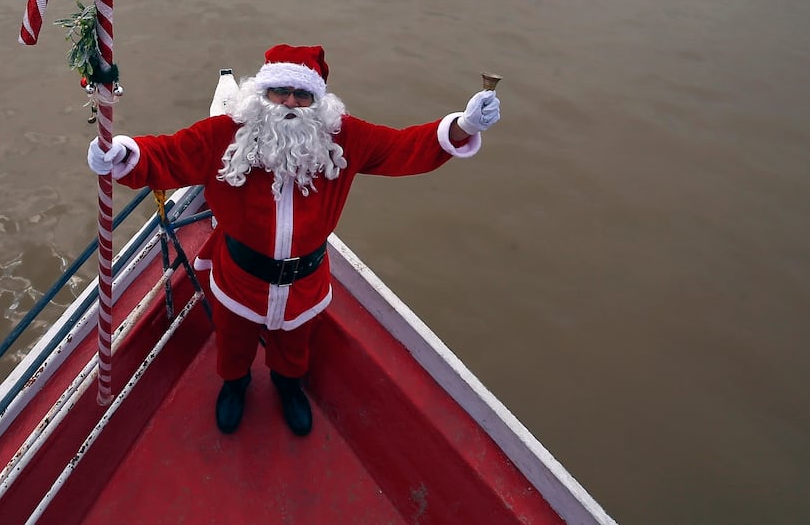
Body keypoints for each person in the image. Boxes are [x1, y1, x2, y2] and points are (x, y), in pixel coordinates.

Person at [86, 44, 500, 436]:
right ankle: (235, 385)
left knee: (295, 344)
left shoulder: (345, 139)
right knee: (233, 341)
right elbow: (167, 156)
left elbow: (405, 147)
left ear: (319, 102)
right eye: (279, 91)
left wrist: (463, 126)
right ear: (260, 93)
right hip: (238, 277)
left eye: (301, 95)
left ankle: (288, 387)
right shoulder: (222, 135)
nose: (288, 103)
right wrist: (123, 155)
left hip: (306, 282)